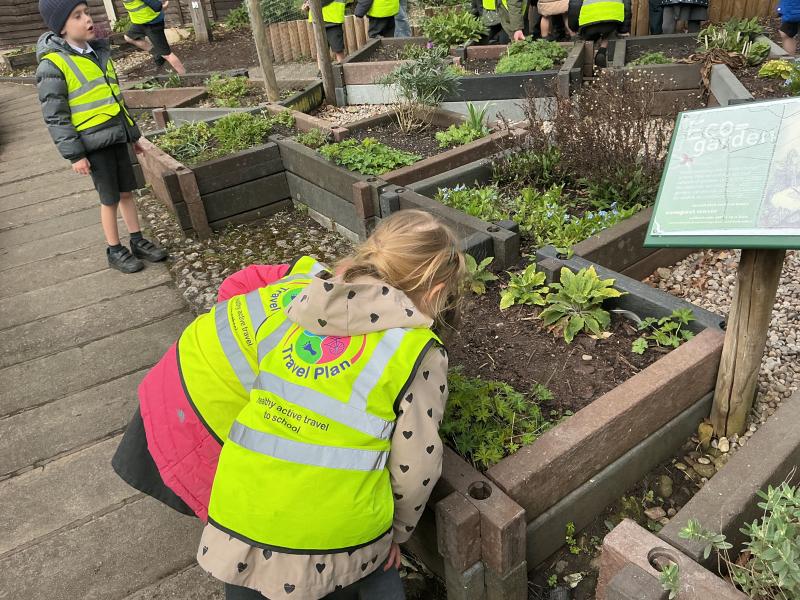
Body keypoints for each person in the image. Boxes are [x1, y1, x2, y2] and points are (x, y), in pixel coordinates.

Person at [199, 210, 465, 600]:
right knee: (378, 578)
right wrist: (395, 535)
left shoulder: (302, 308)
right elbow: (416, 467)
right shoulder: (416, 351)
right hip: (329, 540)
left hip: (235, 518)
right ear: (436, 288)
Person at [36, 0, 168, 274]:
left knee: (127, 192)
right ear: (61, 27)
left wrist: (132, 135)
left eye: (86, 12)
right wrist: (75, 154)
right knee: (109, 199)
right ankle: (114, 249)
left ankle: (137, 240)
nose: (87, 19)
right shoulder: (53, 64)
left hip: (117, 137)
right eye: (77, 16)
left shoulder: (98, 52)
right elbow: (56, 115)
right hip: (94, 145)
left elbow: (115, 99)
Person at [122, 0, 186, 74]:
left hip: (153, 24)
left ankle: (184, 74)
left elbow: (157, 6)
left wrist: (165, 5)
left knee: (166, 54)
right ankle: (157, 53)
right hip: (139, 23)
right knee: (128, 37)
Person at [568, 0, 630, 68]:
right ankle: (602, 50)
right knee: (610, 33)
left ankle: (589, 62)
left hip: (589, 21)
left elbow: (574, 6)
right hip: (611, 20)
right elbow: (626, 6)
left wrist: (574, 28)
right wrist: (623, 30)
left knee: (589, 37)